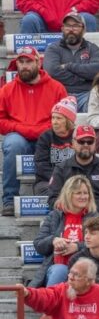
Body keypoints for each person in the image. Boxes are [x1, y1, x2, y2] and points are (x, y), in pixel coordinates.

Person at [0, 46, 69, 215]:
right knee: (13, 144)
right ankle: (9, 200)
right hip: (19, 136)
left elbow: (65, 118)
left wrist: (42, 131)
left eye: (28, 62)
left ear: (38, 62)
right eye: (20, 62)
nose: (24, 66)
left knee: (59, 142)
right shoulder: (7, 90)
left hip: (47, 137)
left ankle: (61, 195)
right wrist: (22, 129)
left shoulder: (57, 87)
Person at [29, 176, 97, 289]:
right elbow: (39, 244)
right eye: (78, 193)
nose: (83, 197)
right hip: (58, 267)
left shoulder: (95, 217)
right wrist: (54, 240)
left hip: (87, 267)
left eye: (86, 193)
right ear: (68, 194)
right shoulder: (54, 216)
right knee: (60, 270)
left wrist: (77, 246)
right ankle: (50, 303)